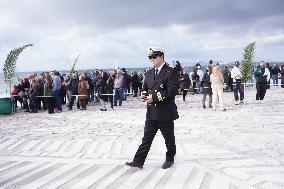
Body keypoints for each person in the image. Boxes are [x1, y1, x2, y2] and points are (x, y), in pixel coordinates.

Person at [125, 47, 179, 169]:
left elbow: (171, 92)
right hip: (151, 112)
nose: (152, 59)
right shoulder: (149, 72)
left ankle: (170, 158)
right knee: (146, 138)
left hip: (164, 111)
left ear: (162, 56)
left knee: (168, 138)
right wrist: (144, 94)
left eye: (154, 57)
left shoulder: (171, 72)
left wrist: (153, 97)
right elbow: (145, 86)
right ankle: (138, 161)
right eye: (150, 57)